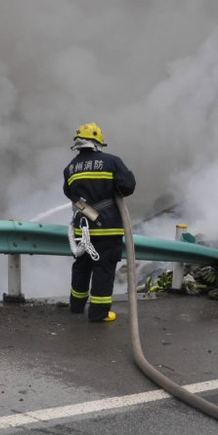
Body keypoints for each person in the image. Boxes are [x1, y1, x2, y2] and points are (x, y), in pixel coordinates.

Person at [63, 122, 136, 322]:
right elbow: (128, 186)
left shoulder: (70, 168)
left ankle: (76, 306)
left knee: (81, 267)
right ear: (98, 142)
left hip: (82, 228)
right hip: (107, 228)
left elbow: (70, 195)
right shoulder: (112, 162)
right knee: (103, 269)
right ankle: (99, 313)